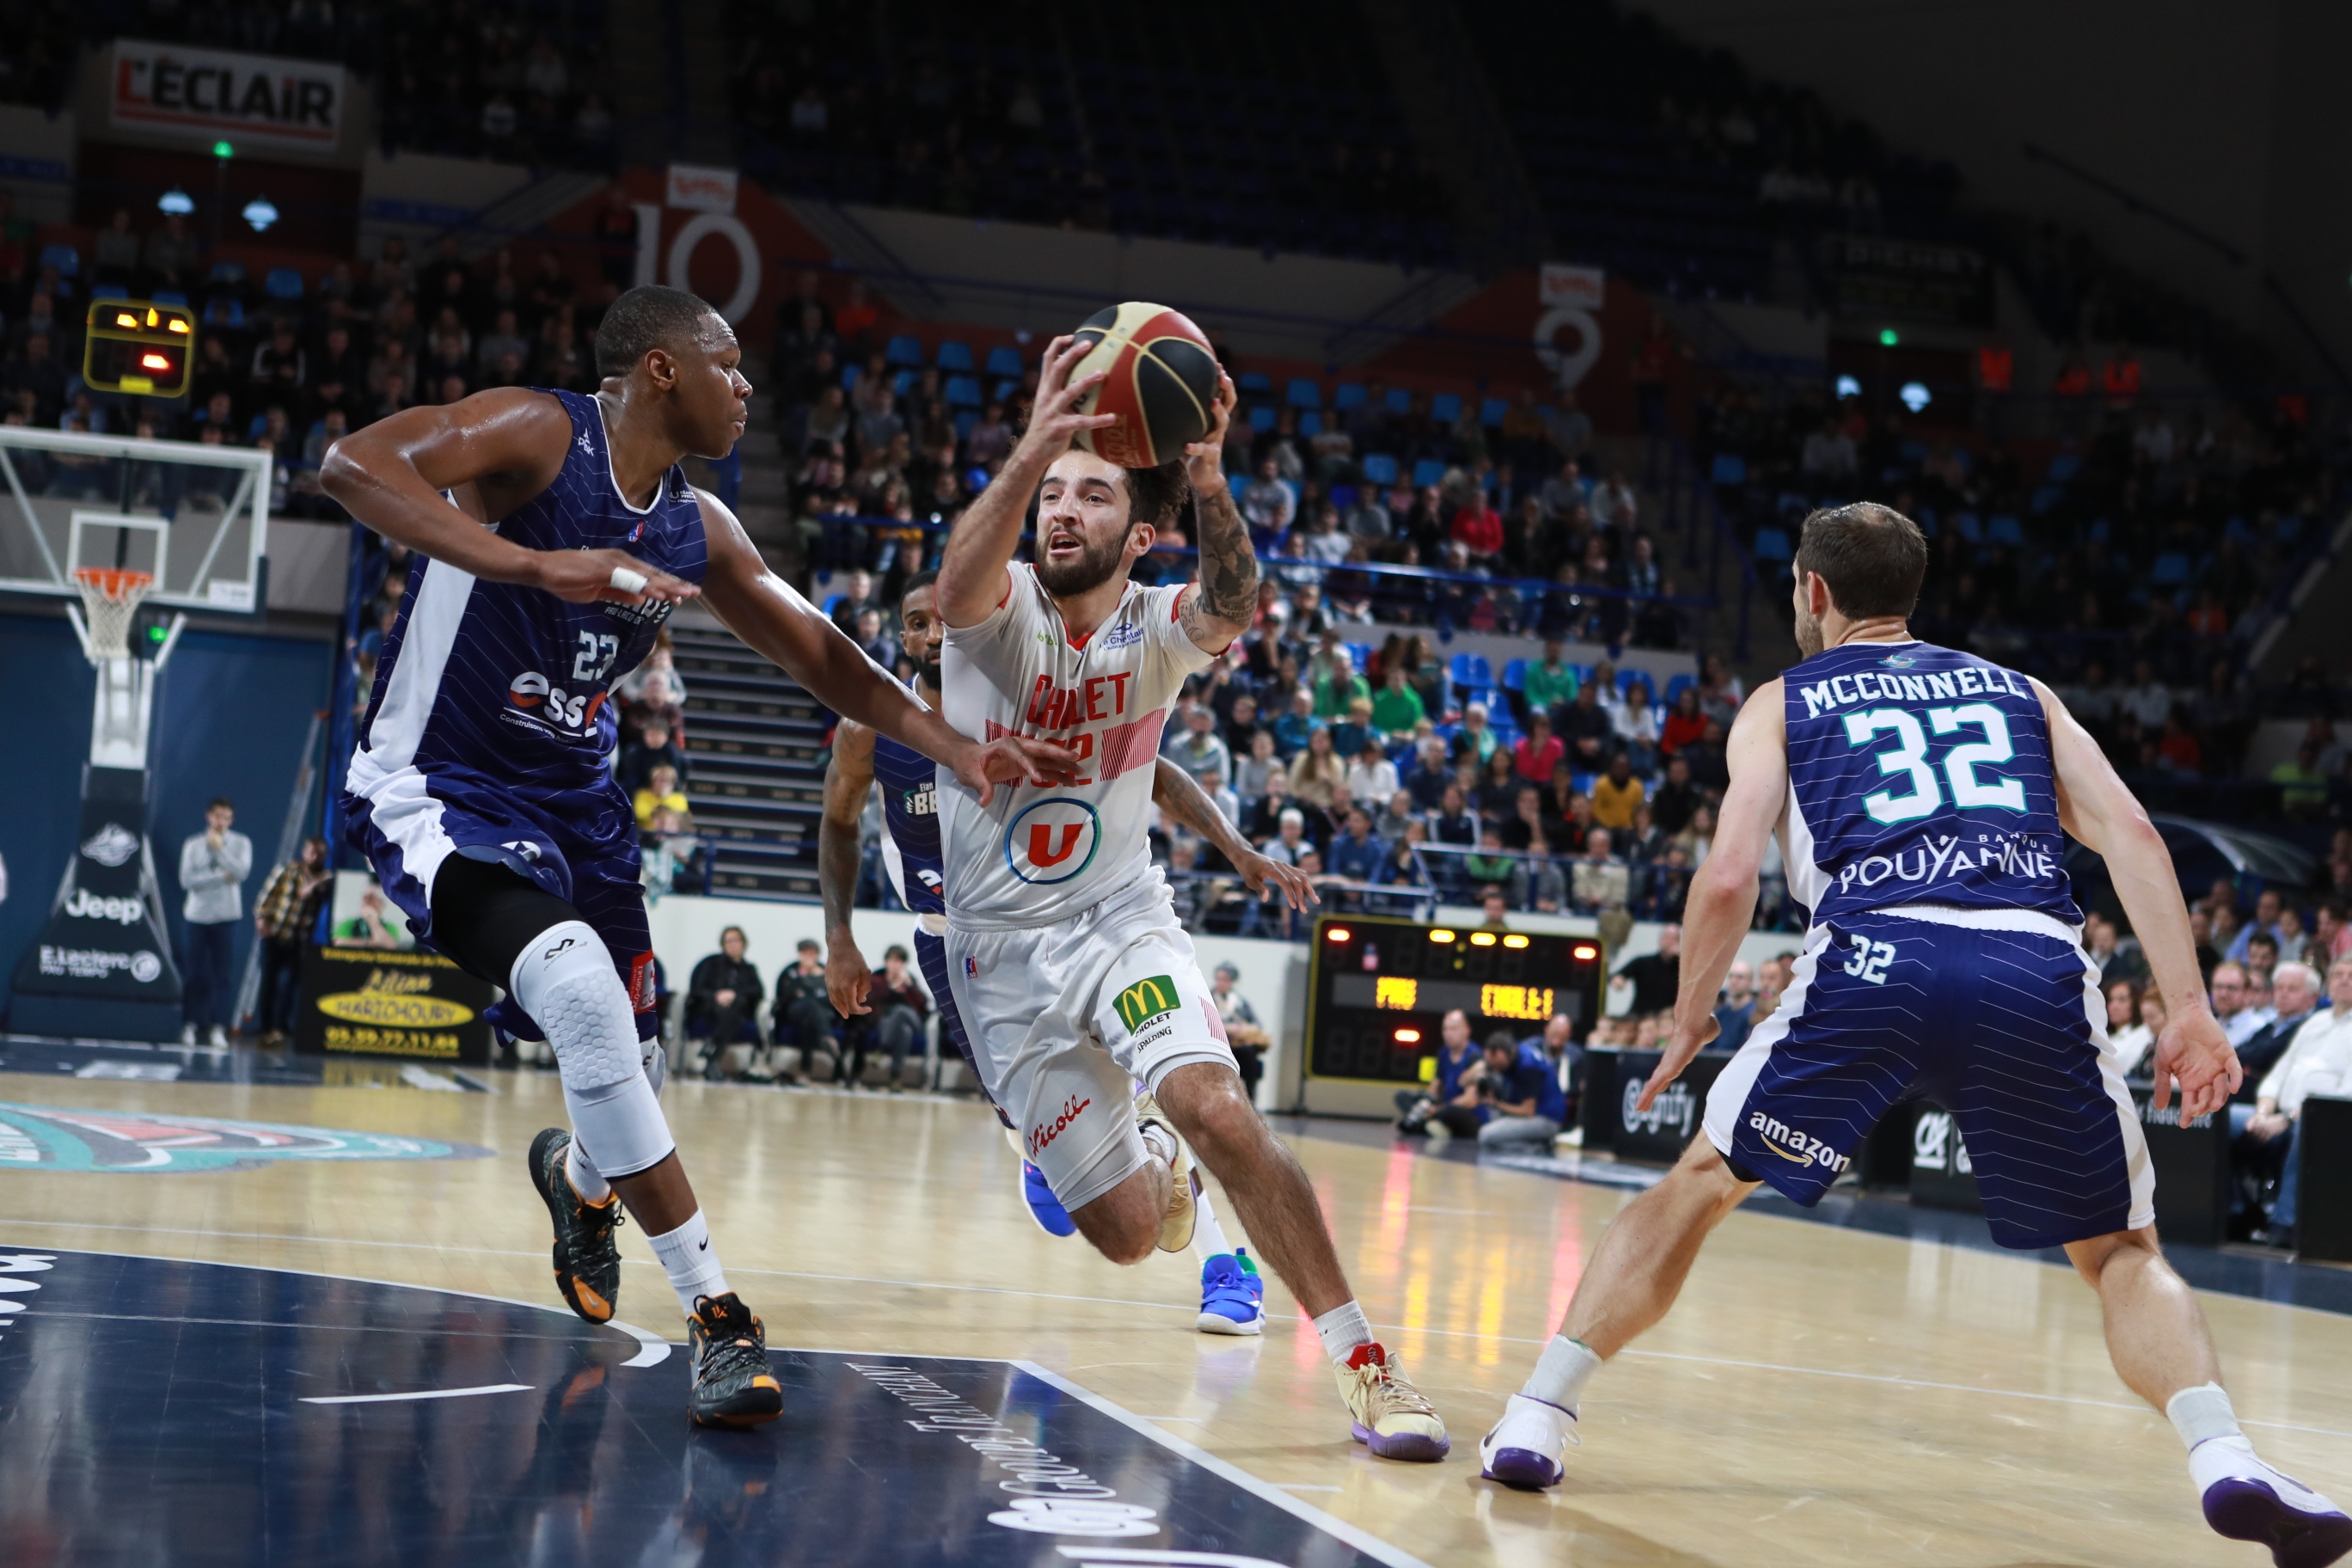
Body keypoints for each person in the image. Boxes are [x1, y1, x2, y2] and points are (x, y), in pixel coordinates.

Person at [1473, 501, 2352, 1565]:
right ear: (1912, 592)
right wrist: (2190, 1008)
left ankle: (1537, 1416)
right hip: (2032, 958)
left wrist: (1695, 1009)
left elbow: (1728, 873)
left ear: (1815, 592)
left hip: (1872, 956)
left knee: (1698, 1183)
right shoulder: (2022, 694)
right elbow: (2130, 833)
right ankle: (2225, 1458)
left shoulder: (1783, 701)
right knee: (2120, 1247)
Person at [322, 284, 1070, 1430]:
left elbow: (823, 653)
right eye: (730, 366)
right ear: (663, 370)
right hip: (441, 788)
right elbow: (352, 465)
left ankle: (580, 1181)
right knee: (580, 994)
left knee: (638, 1067)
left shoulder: (697, 526)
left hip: (581, 807)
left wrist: (954, 747)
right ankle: (717, 1315)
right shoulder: (536, 432)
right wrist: (531, 566)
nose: (748, 388)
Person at [933, 333, 1448, 1459]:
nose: (1062, 511)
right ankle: (1147, 1168)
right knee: (1122, 1236)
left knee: (1218, 1109)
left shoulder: (1157, 631)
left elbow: (1233, 600)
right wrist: (1037, 442)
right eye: (1051, 494)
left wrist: (1211, 478)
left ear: (1140, 531)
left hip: (1121, 920)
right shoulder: (992, 611)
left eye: (1092, 494)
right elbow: (953, 579)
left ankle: (1366, 1364)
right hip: (1002, 958)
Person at [818, 569, 1308, 1335]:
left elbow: (1150, 768)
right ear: (900, 635)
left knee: (1152, 1091)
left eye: (942, 620)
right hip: (959, 954)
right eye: (915, 624)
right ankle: (1125, 1151)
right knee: (1057, 1187)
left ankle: (1226, 1265)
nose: (932, 636)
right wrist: (840, 936)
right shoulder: (869, 727)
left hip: (1064, 926)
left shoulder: (1022, 695)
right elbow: (838, 823)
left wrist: (1236, 846)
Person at [2237, 956, 2352, 1249]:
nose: (2344, 979)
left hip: (2322, 1122)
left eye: (2351, 975)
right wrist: (2262, 1113)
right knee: (2221, 1119)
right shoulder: (2314, 1023)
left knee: (2310, 1128)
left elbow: (2340, 1097)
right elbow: (2277, 1076)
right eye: (2338, 973)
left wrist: (2286, 1120)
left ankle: (2285, 1225)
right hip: (2277, 1114)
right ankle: (2235, 1212)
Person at [178, 798, 254, 1048]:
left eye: (226, 817)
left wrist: (220, 849)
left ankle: (217, 1027)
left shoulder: (241, 843)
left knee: (222, 976)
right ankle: (190, 1024)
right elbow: (187, 881)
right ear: (208, 816)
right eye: (217, 816)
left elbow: (242, 873)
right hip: (196, 917)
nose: (220, 822)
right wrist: (222, 876)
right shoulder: (192, 844)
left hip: (226, 917)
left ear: (231, 820)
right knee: (194, 974)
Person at [253, 836, 330, 1044]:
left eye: (320, 854)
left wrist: (315, 884)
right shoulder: (287, 870)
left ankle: (281, 1026)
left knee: (291, 984)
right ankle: (265, 1027)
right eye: (311, 852)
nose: (315, 857)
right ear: (304, 852)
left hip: (300, 939)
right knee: (269, 982)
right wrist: (262, 917)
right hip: (277, 932)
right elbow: (267, 895)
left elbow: (319, 891)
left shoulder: (324, 878)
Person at [684, 926, 763, 1078]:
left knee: (737, 1007)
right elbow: (698, 990)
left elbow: (758, 991)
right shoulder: (711, 964)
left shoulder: (748, 969)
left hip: (736, 1010)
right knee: (735, 1013)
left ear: (743, 943)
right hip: (711, 1008)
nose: (732, 944)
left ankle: (712, 1053)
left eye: (735, 940)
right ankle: (713, 1052)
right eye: (728, 941)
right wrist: (717, 995)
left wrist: (734, 994)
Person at [1475, 1029, 1571, 1148]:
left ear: (1501, 1054)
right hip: (1535, 1115)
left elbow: (1528, 1111)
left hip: (1546, 1119)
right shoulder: (1516, 1051)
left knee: (1486, 1135)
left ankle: (1536, 1147)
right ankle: (1534, 1143)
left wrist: (1496, 1104)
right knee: (1492, 1120)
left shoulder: (1528, 1067)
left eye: (1496, 1064)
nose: (1495, 1069)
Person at [1394, 1008, 1481, 1136]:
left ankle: (1425, 1125)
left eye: (1453, 1029)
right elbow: (1435, 1087)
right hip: (1441, 1109)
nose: (1448, 1034)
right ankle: (1422, 1121)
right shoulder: (1443, 1053)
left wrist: (1438, 1110)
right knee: (1402, 1096)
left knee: (1451, 1111)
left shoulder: (1475, 1056)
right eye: (1445, 1029)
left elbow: (1469, 1099)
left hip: (1465, 1114)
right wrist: (1426, 1104)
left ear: (1467, 1031)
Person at [771, 938, 836, 1083]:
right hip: (794, 1013)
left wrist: (806, 992)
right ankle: (827, 1038)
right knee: (809, 1004)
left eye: (811, 954)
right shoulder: (791, 972)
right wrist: (803, 978)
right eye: (805, 954)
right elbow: (785, 996)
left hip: (821, 1015)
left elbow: (833, 1000)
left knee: (809, 1018)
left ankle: (805, 1071)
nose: (808, 957)